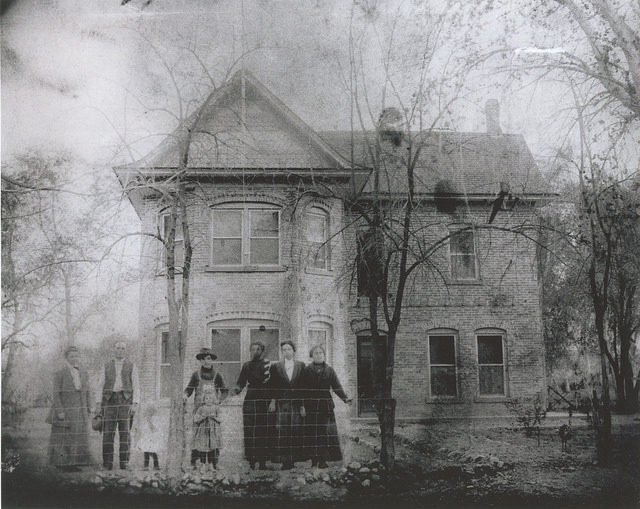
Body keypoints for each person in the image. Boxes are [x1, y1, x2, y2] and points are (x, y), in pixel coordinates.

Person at [302, 345, 351, 468]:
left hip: (325, 405)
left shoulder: (329, 370)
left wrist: (345, 398)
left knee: (325, 432)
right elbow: (302, 389)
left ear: (324, 355)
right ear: (312, 356)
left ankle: (323, 460)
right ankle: (314, 460)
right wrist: (302, 405)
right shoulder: (307, 370)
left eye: (320, 353)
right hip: (311, 405)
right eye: (316, 353)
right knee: (312, 432)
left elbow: (336, 386)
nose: (318, 355)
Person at [96, 341, 140, 470]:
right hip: (109, 401)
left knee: (125, 433)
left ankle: (124, 462)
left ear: (125, 350)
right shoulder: (106, 366)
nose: (120, 350)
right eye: (118, 348)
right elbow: (100, 385)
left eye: (122, 348)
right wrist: (98, 403)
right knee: (108, 433)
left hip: (125, 401)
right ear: (114, 350)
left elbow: (136, 386)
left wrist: (135, 403)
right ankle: (107, 463)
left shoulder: (131, 366)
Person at [47, 346, 93, 471]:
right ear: (66, 358)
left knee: (78, 436)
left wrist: (89, 407)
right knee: (64, 437)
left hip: (80, 408)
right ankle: (63, 463)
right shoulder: (60, 373)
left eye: (76, 356)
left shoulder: (83, 373)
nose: (75, 359)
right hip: (66, 409)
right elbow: (56, 394)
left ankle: (74, 462)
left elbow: (87, 392)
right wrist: (60, 411)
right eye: (72, 356)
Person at [232, 341, 272, 470]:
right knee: (249, 429)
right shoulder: (247, 366)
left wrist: (272, 401)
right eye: (253, 349)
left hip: (264, 399)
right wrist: (235, 390)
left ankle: (262, 462)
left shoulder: (267, 365)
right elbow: (241, 382)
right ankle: (251, 461)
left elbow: (271, 383)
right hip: (250, 399)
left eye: (258, 349)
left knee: (262, 430)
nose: (255, 351)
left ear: (262, 351)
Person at [184, 347, 226, 468]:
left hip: (212, 412)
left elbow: (224, 391)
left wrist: (219, 400)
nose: (207, 361)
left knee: (213, 435)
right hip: (199, 411)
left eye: (209, 359)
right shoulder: (196, 375)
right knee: (198, 435)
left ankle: (214, 462)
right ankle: (195, 462)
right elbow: (189, 389)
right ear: (201, 361)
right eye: (204, 359)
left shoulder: (217, 375)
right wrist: (185, 395)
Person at [268, 340, 306, 470]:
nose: (287, 352)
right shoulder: (276, 367)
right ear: (281, 352)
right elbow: (273, 386)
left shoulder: (301, 366)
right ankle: (284, 461)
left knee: (295, 429)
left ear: (293, 351)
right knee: (282, 430)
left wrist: (302, 405)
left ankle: (294, 460)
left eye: (289, 349)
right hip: (282, 403)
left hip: (296, 403)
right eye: (284, 349)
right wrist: (273, 401)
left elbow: (303, 386)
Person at [193, 388, 222, 471]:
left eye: (210, 398)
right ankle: (202, 464)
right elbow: (195, 419)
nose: (208, 400)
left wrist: (214, 417)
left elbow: (221, 418)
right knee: (203, 448)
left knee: (212, 447)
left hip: (213, 432)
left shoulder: (216, 408)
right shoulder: (201, 408)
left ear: (213, 399)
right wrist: (202, 417)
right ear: (204, 399)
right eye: (206, 398)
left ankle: (210, 464)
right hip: (203, 432)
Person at [134, 404, 166, 470]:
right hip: (146, 439)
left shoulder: (153, 420)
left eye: (149, 413)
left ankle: (155, 466)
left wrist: (150, 422)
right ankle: (147, 466)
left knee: (152, 452)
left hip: (151, 439)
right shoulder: (145, 420)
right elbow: (142, 429)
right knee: (147, 452)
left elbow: (154, 429)